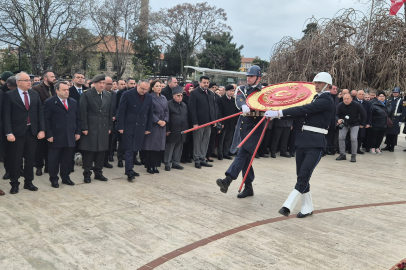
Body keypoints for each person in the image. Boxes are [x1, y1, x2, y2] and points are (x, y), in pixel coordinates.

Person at [265, 72, 334, 218]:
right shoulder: (316, 99)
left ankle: (287, 206)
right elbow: (300, 113)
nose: (316, 85)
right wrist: (275, 114)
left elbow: (304, 110)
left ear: (328, 85)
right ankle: (307, 207)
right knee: (301, 176)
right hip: (304, 141)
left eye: (319, 83)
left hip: (316, 143)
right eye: (315, 83)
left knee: (303, 175)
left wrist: (279, 113)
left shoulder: (326, 100)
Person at [216, 65, 265, 198]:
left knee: (242, 154)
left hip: (256, 128)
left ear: (258, 78)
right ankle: (248, 187)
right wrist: (243, 106)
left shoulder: (264, 91)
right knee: (246, 158)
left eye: (251, 76)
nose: (248, 78)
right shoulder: (242, 89)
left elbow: (268, 105)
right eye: (247, 76)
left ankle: (228, 180)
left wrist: (263, 111)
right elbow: (239, 100)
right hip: (243, 127)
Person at [3, 72, 46, 194]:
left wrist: (42, 130)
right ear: (18, 82)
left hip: (32, 132)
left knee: (30, 158)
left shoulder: (34, 94)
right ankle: (14, 183)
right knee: (16, 159)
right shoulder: (9, 95)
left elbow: (40, 113)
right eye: (26, 80)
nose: (29, 82)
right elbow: (6, 116)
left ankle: (28, 182)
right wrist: (9, 133)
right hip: (16, 133)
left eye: (30, 80)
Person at [43, 81, 81, 188]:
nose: (66, 92)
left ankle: (65, 177)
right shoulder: (49, 102)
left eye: (67, 89)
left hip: (70, 136)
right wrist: (49, 134)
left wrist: (78, 132)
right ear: (57, 91)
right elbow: (46, 120)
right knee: (54, 160)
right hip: (55, 136)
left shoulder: (73, 102)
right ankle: (54, 179)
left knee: (67, 159)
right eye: (64, 90)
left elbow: (77, 118)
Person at [79, 74, 113, 183]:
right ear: (94, 83)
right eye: (100, 83)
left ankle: (98, 173)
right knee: (90, 151)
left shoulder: (107, 95)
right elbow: (82, 112)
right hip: (91, 126)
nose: (102, 85)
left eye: (104, 83)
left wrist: (109, 126)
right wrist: (84, 127)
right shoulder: (87, 95)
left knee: (101, 151)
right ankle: (87, 174)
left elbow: (110, 112)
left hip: (103, 126)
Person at [117, 79, 153, 181]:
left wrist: (148, 128)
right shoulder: (127, 94)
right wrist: (120, 126)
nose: (144, 91)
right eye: (142, 88)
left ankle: (131, 169)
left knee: (135, 150)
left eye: (146, 89)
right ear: (137, 85)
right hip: (129, 126)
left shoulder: (149, 97)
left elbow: (150, 113)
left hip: (141, 127)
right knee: (129, 150)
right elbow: (121, 111)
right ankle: (129, 172)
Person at [32, 70, 56, 176]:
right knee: (40, 147)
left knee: (50, 146)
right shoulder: (36, 89)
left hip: (54, 122)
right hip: (41, 121)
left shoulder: (56, 88)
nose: (54, 78)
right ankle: (39, 166)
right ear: (45, 78)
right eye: (52, 76)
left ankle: (48, 166)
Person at [188, 76, 216, 169]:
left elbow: (213, 108)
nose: (206, 84)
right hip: (199, 123)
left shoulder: (211, 94)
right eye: (204, 82)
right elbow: (192, 109)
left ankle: (203, 159)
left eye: (207, 82)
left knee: (205, 141)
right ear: (200, 83)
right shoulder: (194, 93)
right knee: (197, 142)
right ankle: (197, 160)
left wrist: (214, 120)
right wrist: (195, 122)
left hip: (209, 122)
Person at [142, 80, 168, 174]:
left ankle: (156, 165)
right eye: (157, 86)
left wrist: (165, 120)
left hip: (162, 124)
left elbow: (167, 111)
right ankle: (149, 166)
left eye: (160, 86)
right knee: (151, 146)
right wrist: (157, 120)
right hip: (153, 124)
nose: (159, 87)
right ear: (152, 87)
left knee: (159, 146)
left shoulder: (164, 97)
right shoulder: (149, 97)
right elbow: (149, 111)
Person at [335, 93, 367, 162]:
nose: (346, 100)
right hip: (345, 123)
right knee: (340, 138)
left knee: (353, 138)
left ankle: (353, 155)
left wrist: (362, 124)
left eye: (347, 99)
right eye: (344, 99)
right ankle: (342, 154)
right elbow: (336, 114)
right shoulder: (340, 105)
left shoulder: (357, 105)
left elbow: (363, 114)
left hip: (355, 123)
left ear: (351, 99)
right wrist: (338, 119)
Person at [164, 85, 188, 171]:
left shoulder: (184, 105)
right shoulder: (168, 104)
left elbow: (186, 117)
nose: (180, 97)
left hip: (182, 129)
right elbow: (166, 118)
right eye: (178, 95)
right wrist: (167, 129)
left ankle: (176, 163)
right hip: (172, 130)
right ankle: (167, 163)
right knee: (170, 147)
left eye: (181, 95)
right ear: (173, 96)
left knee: (179, 146)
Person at [216, 85, 239, 160]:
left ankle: (226, 153)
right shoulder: (221, 100)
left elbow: (236, 113)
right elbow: (219, 112)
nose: (232, 92)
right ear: (226, 91)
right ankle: (220, 154)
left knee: (228, 139)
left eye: (233, 91)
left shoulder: (234, 100)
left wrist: (236, 123)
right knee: (221, 139)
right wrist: (221, 122)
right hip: (224, 123)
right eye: (230, 91)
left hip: (231, 123)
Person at [382, 87, 404, 152]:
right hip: (389, 118)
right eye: (394, 92)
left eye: (396, 92)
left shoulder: (402, 101)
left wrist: (402, 120)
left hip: (397, 118)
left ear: (399, 93)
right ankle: (387, 145)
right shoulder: (389, 99)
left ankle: (392, 146)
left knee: (394, 133)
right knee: (388, 132)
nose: (395, 93)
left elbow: (404, 111)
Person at [103, 76, 116, 168]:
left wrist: (116, 116)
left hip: (111, 123)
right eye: (108, 84)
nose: (110, 86)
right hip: (100, 123)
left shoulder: (114, 94)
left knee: (108, 143)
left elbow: (118, 107)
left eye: (111, 84)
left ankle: (105, 160)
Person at [180, 83, 194, 163]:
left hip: (192, 122)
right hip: (186, 122)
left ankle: (187, 155)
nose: (191, 90)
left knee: (190, 140)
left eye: (192, 88)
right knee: (185, 140)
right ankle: (182, 156)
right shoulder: (184, 98)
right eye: (190, 88)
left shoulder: (194, 97)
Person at [326, 85, 340, 155]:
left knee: (331, 135)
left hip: (334, 120)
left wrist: (337, 120)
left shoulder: (337, 98)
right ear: (329, 89)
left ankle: (330, 148)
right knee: (326, 135)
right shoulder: (327, 97)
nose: (335, 90)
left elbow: (337, 110)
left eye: (336, 89)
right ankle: (324, 149)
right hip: (327, 119)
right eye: (334, 89)